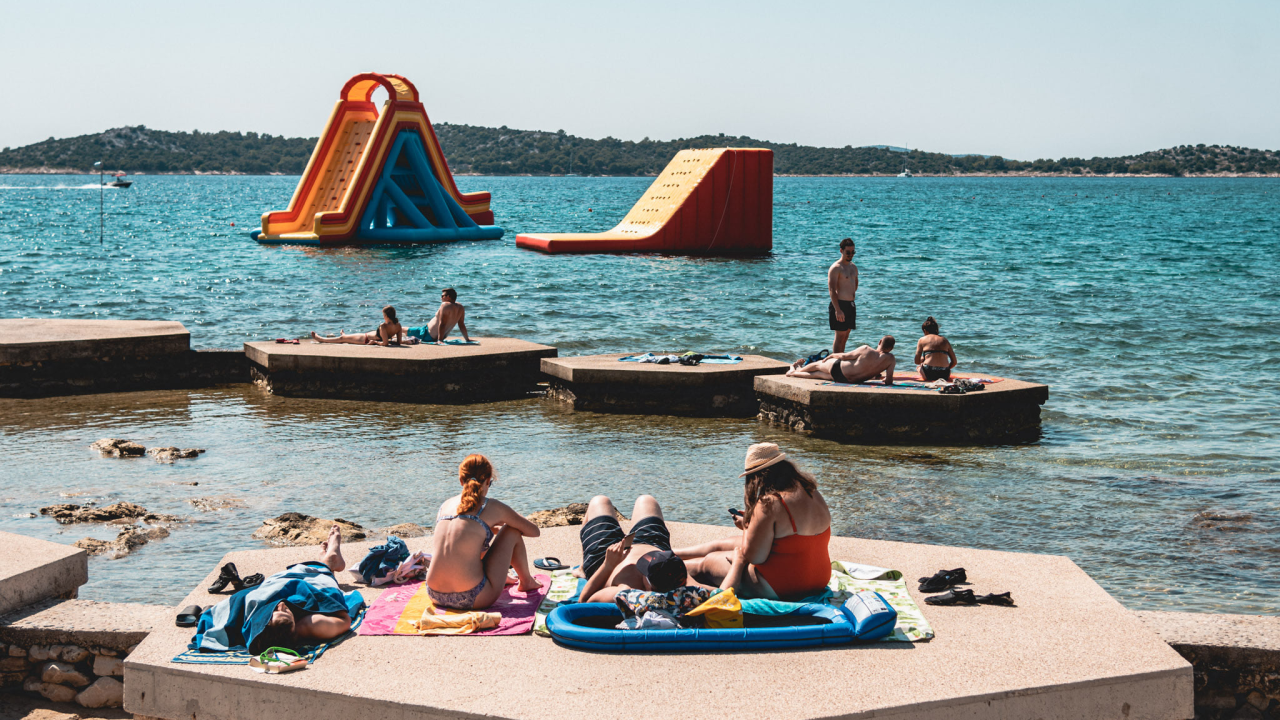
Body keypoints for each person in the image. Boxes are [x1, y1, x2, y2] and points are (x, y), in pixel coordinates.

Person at [674, 443, 832, 600]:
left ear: (757, 477)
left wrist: (748, 525)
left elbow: (754, 557)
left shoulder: (769, 503)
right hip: (818, 578)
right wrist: (748, 525)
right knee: (727, 542)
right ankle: (673, 553)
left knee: (709, 563)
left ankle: (667, 568)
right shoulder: (811, 491)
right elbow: (788, 534)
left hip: (784, 586)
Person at [191, 525, 365, 655]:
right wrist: (307, 622)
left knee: (283, 579)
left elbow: (228, 610)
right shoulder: (306, 626)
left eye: (275, 610)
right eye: (285, 611)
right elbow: (344, 619)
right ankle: (328, 563)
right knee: (315, 580)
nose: (281, 605)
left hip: (278, 585)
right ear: (294, 629)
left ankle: (328, 563)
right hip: (312, 585)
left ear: (262, 620)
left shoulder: (253, 624)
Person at [426, 454, 542, 610]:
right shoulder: (491, 506)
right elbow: (534, 531)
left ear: (461, 481)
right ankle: (526, 581)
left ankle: (503, 577)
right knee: (512, 530)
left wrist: (488, 526)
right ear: (488, 481)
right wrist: (507, 518)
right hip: (473, 597)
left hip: (434, 594)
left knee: (476, 538)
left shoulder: (445, 505)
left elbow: (463, 544)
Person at [577, 495, 695, 604]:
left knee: (600, 501)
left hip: (603, 560)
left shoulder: (626, 593)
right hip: (652, 542)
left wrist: (608, 564)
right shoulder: (680, 582)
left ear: (649, 587)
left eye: (644, 569)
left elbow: (584, 602)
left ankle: (582, 568)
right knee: (646, 500)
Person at [785, 336, 896, 385]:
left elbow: (845, 356)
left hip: (838, 368)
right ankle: (793, 372)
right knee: (818, 374)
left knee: (818, 365)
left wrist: (832, 355)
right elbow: (889, 382)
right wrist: (885, 378)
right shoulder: (891, 360)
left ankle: (797, 370)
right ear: (891, 348)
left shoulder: (866, 349)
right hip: (848, 380)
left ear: (880, 341)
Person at [310, 305, 404, 346]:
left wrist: (375, 342)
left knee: (341, 340)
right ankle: (345, 336)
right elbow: (398, 342)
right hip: (367, 336)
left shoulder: (383, 326)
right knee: (346, 337)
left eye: (383, 315)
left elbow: (385, 344)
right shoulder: (398, 326)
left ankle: (321, 339)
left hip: (365, 339)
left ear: (386, 316)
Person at [827, 238, 859, 353]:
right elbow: (832, 290)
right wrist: (838, 310)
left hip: (851, 304)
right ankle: (836, 363)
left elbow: (855, 284)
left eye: (853, 252)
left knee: (846, 337)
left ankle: (841, 361)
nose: (851, 255)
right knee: (839, 336)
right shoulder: (836, 268)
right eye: (848, 252)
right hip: (840, 304)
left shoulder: (853, 267)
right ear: (841, 251)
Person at [914, 316, 957, 381]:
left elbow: (916, 361)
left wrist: (922, 360)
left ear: (925, 331)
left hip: (929, 373)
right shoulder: (945, 340)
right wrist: (946, 368)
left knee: (918, 367)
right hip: (944, 374)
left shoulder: (922, 339)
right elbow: (954, 362)